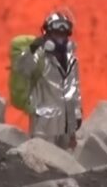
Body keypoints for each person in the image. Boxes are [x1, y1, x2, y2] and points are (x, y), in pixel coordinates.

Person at [14, 11, 83, 149]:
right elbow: (20, 68)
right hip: (44, 126)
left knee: (65, 165)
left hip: (66, 126)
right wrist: (32, 48)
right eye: (57, 34)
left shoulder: (72, 60)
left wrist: (76, 114)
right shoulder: (38, 57)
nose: (60, 39)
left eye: (63, 35)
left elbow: (74, 89)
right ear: (48, 35)